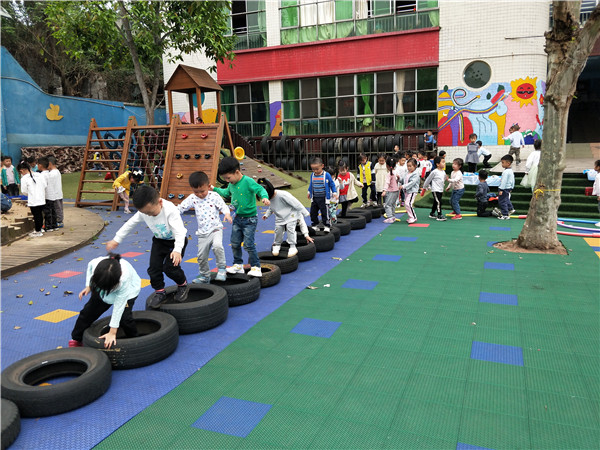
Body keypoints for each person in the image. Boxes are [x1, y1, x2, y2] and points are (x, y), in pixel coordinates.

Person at [106, 185, 189, 308]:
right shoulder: (143, 212)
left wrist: (177, 250)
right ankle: (160, 292)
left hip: (176, 241)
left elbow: (180, 232)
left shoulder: (171, 210)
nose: (148, 215)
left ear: (160, 202)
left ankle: (183, 285)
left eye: (151, 212)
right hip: (159, 242)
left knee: (170, 268)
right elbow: (129, 224)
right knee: (153, 269)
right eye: (145, 213)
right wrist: (117, 239)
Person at [68, 253, 140, 349]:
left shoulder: (124, 279)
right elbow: (90, 266)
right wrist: (88, 286)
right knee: (87, 312)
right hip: (101, 287)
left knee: (125, 318)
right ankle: (76, 339)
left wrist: (112, 332)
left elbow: (119, 306)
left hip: (128, 292)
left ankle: (136, 342)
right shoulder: (96, 264)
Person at [213, 157, 270, 277]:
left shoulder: (248, 181)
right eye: (225, 179)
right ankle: (238, 265)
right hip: (238, 218)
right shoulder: (231, 184)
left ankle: (255, 266)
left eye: (228, 178)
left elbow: (260, 189)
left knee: (248, 244)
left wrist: (264, 197)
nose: (228, 181)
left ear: (237, 172)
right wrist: (214, 189)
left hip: (250, 219)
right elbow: (226, 193)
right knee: (234, 243)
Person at [178, 171, 231, 284]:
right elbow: (181, 208)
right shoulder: (193, 198)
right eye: (196, 192)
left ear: (208, 186)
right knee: (201, 256)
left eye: (202, 191)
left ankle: (221, 269)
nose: (200, 194)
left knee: (217, 246)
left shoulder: (214, 196)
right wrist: (171, 213)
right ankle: (205, 276)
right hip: (202, 233)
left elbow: (223, 206)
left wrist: (226, 213)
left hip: (216, 228)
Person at [260, 177, 314, 257]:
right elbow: (271, 207)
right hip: (280, 217)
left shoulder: (283, 195)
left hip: (291, 215)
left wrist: (305, 212)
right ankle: (277, 244)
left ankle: (292, 246)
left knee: (290, 229)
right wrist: (266, 215)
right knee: (278, 230)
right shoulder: (268, 198)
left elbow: (295, 203)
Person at [17, 160, 47, 237]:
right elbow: (45, 185)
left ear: (21, 170)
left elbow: (24, 191)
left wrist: (31, 193)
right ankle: (40, 228)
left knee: (36, 215)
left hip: (33, 199)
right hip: (41, 198)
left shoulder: (24, 178)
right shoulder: (40, 175)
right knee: (40, 214)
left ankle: (38, 231)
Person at [307, 157, 337, 232]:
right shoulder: (312, 175)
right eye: (313, 169)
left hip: (323, 198)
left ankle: (326, 225)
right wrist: (309, 192)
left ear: (322, 166)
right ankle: (315, 224)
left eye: (317, 169)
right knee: (313, 212)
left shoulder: (326, 175)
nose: (315, 171)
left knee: (325, 213)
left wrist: (334, 193)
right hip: (315, 198)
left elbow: (332, 184)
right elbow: (311, 184)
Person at [37, 157, 58, 232]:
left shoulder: (42, 175)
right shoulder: (49, 173)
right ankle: (54, 225)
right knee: (53, 211)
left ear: (40, 165)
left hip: (47, 196)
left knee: (47, 212)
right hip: (52, 195)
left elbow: (43, 185)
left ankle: (48, 226)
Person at [423, 156, 447, 221]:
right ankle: (439, 215)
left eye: (444, 162)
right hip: (435, 189)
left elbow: (443, 179)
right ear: (437, 164)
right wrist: (424, 187)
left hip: (440, 189)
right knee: (439, 202)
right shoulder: (434, 172)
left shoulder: (443, 172)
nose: (444, 163)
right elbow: (428, 179)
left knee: (436, 202)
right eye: (443, 162)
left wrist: (444, 183)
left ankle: (432, 213)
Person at [399, 158, 420, 224]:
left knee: (408, 203)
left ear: (415, 166)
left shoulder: (416, 174)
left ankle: (413, 217)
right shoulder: (407, 173)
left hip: (412, 191)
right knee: (407, 204)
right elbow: (403, 180)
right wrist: (398, 178)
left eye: (410, 166)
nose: (409, 168)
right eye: (408, 166)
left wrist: (403, 186)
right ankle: (411, 217)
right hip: (406, 191)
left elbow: (412, 183)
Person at [47, 156, 64, 228]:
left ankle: (59, 221)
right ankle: (59, 220)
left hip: (55, 194)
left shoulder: (52, 174)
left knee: (57, 208)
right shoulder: (57, 171)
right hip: (58, 193)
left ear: (50, 164)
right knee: (59, 208)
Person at [382, 157, 400, 224]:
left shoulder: (389, 174)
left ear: (387, 166)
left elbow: (387, 183)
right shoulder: (395, 172)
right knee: (392, 204)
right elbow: (397, 180)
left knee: (387, 205)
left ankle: (390, 217)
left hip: (391, 191)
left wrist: (384, 191)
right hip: (396, 191)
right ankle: (393, 216)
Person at [498, 154, 515, 220]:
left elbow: (504, 181)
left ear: (508, 163)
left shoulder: (505, 172)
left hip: (504, 188)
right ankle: (511, 209)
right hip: (508, 188)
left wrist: (501, 189)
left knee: (502, 201)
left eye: (503, 162)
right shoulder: (511, 171)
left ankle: (505, 215)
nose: (502, 164)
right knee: (506, 199)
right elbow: (513, 180)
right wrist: (511, 187)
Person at [593, 160, 600, 227]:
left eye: (595, 165)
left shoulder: (598, 176)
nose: (594, 167)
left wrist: (599, 195)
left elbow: (598, 186)